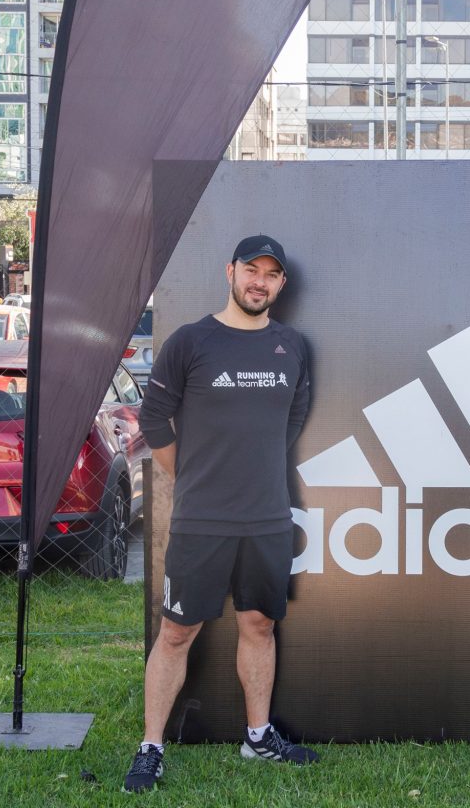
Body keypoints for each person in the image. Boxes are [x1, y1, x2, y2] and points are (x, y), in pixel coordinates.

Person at [124, 235, 316, 793]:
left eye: (271, 274)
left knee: (260, 623)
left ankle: (257, 737)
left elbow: (292, 421)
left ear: (281, 284)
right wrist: (195, 477)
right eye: (250, 270)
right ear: (229, 272)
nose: (259, 281)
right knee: (177, 631)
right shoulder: (191, 341)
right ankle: (151, 746)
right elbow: (155, 421)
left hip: (267, 518)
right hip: (201, 519)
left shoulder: (292, 347)